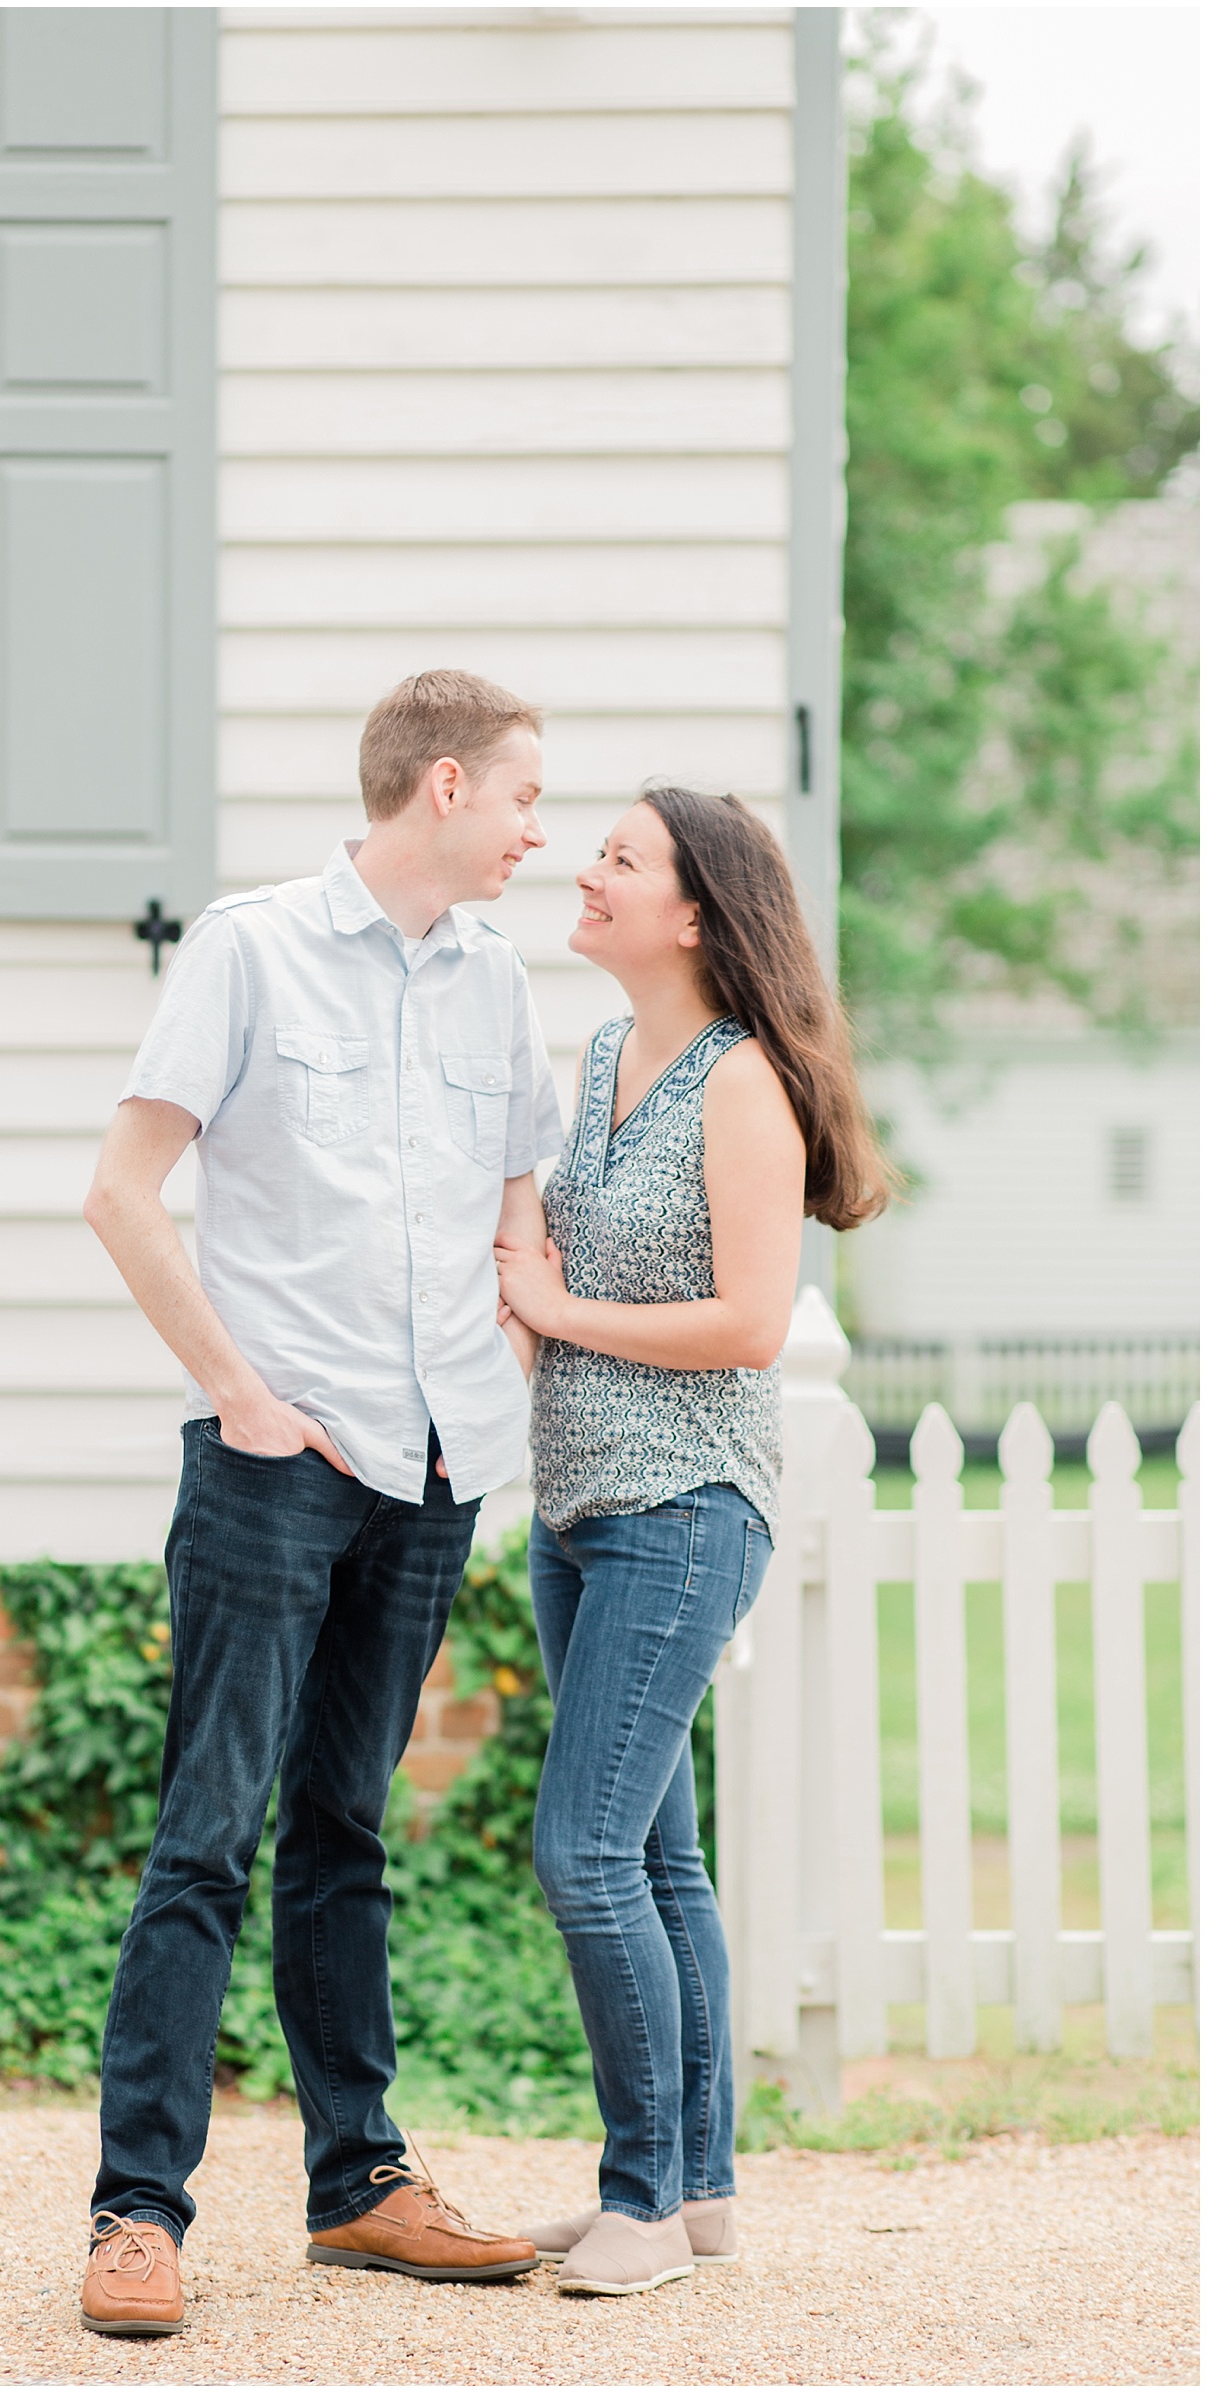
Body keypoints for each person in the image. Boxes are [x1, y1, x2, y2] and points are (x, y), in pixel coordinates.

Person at [76, 670, 563, 2335]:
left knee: (345, 1830)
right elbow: (121, 1192)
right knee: (208, 1834)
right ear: (442, 787)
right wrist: (241, 1392)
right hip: (281, 1466)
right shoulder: (250, 947)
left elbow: (516, 1213)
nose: (535, 830)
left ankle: (360, 2186)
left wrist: (506, 1355)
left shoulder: (498, 980)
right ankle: (136, 2213)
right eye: (519, 798)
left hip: (434, 1469)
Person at [494, 785, 889, 2298]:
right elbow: (562, 1303)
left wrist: (555, 1305)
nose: (585, 872)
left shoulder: (738, 1085)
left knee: (584, 1852)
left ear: (696, 914)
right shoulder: (600, 1056)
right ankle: (701, 2189)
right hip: (580, 1503)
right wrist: (529, 1291)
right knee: (661, 1861)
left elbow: (746, 1324)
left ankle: (642, 2197)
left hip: (682, 1510)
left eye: (620, 858)